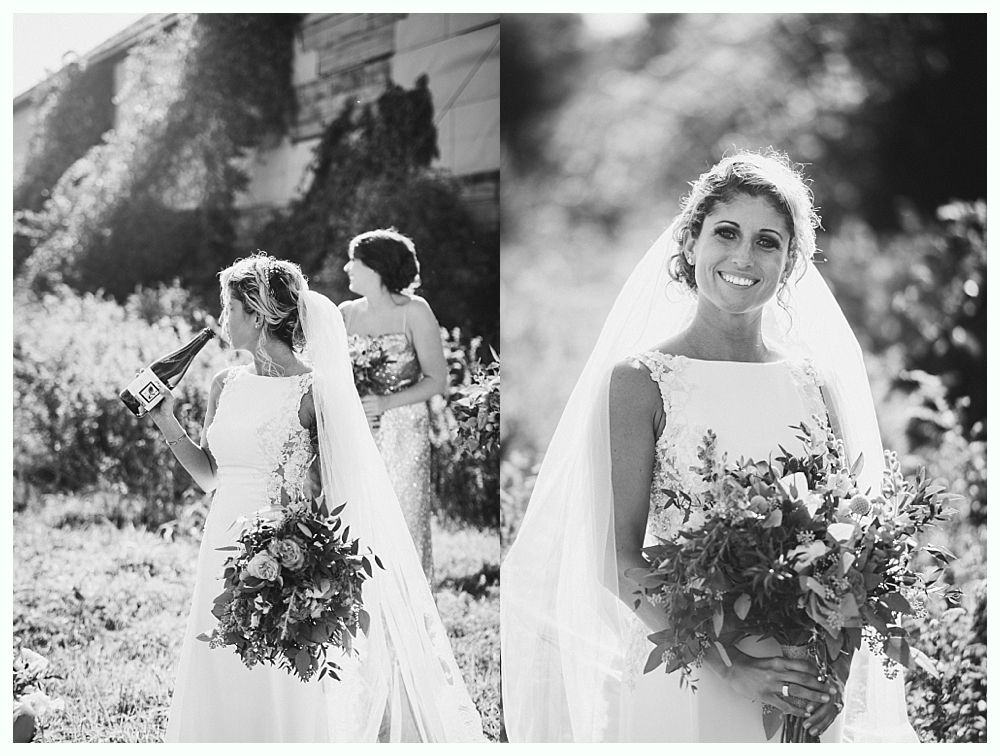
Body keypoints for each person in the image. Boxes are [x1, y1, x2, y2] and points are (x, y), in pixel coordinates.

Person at [500, 151, 918, 742]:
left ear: (789, 263)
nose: (744, 257)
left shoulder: (814, 383)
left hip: (803, 680)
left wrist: (835, 673)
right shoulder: (641, 381)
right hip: (691, 676)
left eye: (768, 242)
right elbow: (619, 561)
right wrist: (732, 667)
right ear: (691, 242)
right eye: (726, 233)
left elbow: (853, 546)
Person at [150, 253, 482, 742]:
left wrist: (308, 560)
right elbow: (209, 476)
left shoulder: (314, 392)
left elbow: (340, 488)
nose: (222, 320)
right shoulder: (225, 383)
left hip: (279, 550)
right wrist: (165, 421)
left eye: (230, 309)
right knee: (218, 655)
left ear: (258, 315)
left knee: (277, 670)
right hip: (219, 540)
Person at [340, 229, 448, 580]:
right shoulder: (346, 314)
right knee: (357, 519)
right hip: (357, 430)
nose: (347, 268)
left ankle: (408, 599)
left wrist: (385, 402)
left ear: (376, 267)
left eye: (354, 261)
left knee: (402, 517)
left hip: (404, 428)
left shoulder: (415, 311)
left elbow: (436, 379)